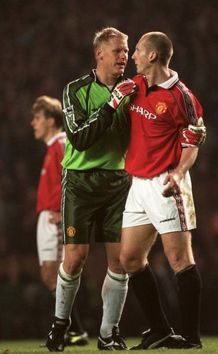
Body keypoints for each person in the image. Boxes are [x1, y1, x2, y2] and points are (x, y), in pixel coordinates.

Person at [45, 27, 139, 352]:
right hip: (80, 183)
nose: (124, 56)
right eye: (118, 50)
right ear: (99, 54)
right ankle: (60, 326)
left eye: (126, 50)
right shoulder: (75, 90)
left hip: (117, 182)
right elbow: (81, 140)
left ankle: (107, 333)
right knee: (75, 259)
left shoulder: (135, 91)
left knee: (121, 261)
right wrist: (112, 103)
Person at [120, 31, 206, 349]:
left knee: (179, 259)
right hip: (138, 185)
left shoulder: (181, 97)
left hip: (166, 183)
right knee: (130, 259)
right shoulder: (136, 86)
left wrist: (179, 173)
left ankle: (191, 338)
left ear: (153, 56)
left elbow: (193, 141)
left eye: (138, 51)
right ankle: (159, 329)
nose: (133, 56)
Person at [31, 96, 89, 348]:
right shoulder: (52, 147)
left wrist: (63, 211)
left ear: (51, 120)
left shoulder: (62, 144)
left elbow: (76, 178)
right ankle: (74, 330)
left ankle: (70, 330)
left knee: (55, 275)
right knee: (50, 276)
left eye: (37, 118)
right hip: (47, 216)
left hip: (56, 217)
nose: (33, 123)